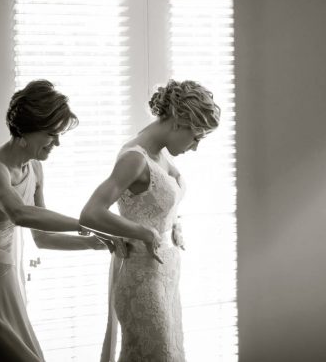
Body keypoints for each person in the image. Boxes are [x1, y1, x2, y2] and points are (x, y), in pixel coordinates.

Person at [80, 79, 221, 362]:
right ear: (179, 121)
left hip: (165, 272)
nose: (195, 147)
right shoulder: (134, 158)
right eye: (196, 137)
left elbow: (154, 199)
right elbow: (91, 213)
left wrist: (173, 222)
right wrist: (143, 232)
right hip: (142, 277)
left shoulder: (159, 153)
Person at [0, 80, 109, 362]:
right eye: (51, 134)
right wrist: (84, 223)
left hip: (7, 277)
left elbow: (42, 237)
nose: (57, 143)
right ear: (25, 130)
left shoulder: (34, 167)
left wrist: (93, 244)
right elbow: (20, 214)